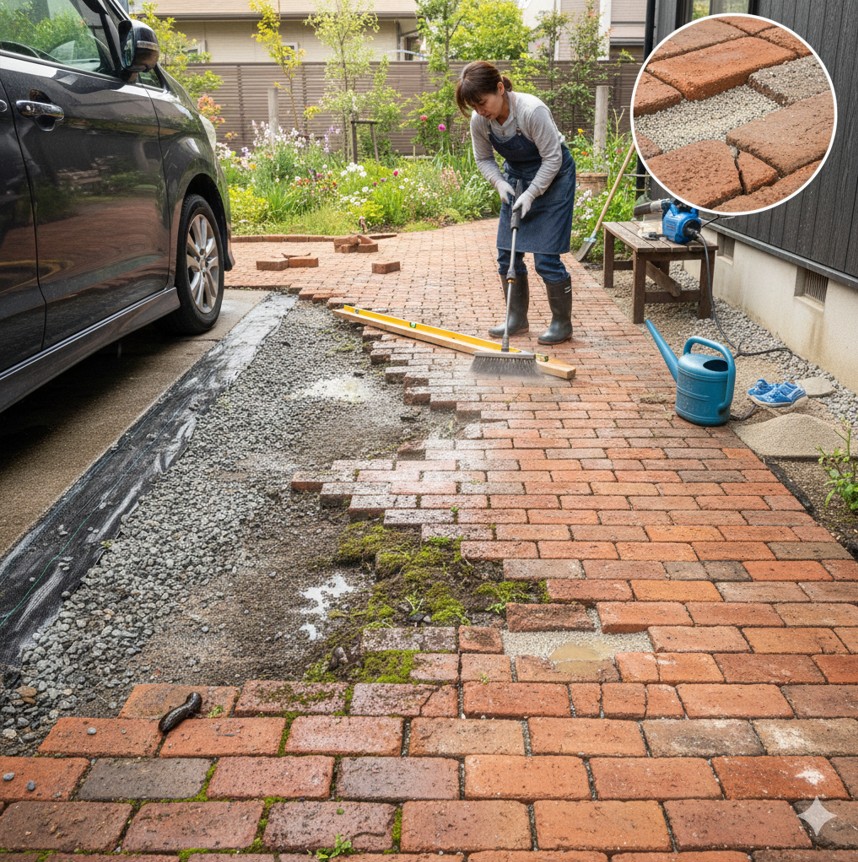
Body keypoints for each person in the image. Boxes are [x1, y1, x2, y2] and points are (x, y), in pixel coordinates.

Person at [455, 61, 576, 344]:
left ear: (500, 88)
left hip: (554, 178)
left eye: (482, 103)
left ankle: (561, 323)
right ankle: (516, 319)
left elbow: (553, 159)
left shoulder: (531, 111)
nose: (480, 111)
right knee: (506, 252)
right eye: (474, 107)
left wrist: (532, 193)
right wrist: (499, 182)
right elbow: (483, 158)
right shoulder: (480, 121)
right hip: (516, 179)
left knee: (546, 258)